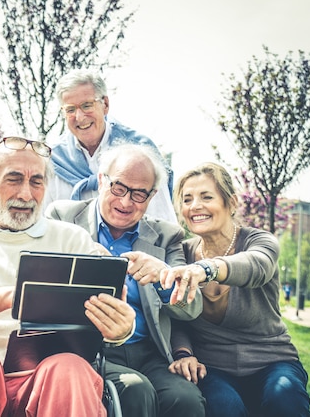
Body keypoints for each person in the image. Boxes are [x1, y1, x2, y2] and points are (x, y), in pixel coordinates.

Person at [0, 136, 136, 416]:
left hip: (47, 382)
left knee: (68, 367)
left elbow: (112, 301)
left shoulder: (71, 239)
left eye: (36, 181)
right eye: (14, 179)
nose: (26, 194)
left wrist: (120, 327)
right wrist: (17, 295)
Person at [45, 143, 205, 417]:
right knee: (134, 389)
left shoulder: (168, 236)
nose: (126, 202)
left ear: (152, 195)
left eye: (139, 193)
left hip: (148, 351)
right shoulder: (63, 218)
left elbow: (192, 308)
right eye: (118, 188)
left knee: (186, 399)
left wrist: (162, 275)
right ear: (100, 180)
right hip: (86, 349)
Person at [160, 162, 310, 417]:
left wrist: (207, 269)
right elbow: (177, 314)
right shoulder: (181, 253)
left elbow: (256, 266)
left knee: (284, 397)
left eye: (206, 197)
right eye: (187, 199)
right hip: (212, 367)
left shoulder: (259, 241)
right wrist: (184, 353)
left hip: (272, 361)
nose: (195, 206)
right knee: (224, 407)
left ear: (231, 203)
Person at [45, 68, 177, 223]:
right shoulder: (53, 159)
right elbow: (43, 223)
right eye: (70, 109)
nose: (79, 117)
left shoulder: (142, 153)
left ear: (105, 104)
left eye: (87, 105)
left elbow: (162, 221)